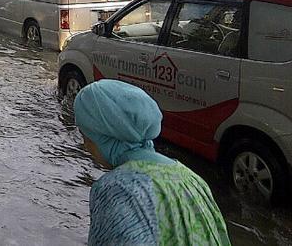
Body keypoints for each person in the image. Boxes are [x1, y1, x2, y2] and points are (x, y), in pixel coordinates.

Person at [74, 79, 231, 246]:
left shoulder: (117, 190)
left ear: (106, 137)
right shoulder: (193, 181)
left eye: (87, 136)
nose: (85, 146)